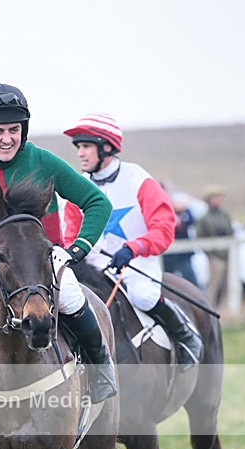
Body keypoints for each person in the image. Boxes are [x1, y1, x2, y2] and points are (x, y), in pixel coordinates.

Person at [0, 83, 116, 412]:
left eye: (14, 130)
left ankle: (101, 370)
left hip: (46, 266)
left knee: (72, 296)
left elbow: (97, 202)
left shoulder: (44, 162)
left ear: (23, 130)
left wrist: (76, 249)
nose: (6, 138)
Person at [62, 113, 202, 370]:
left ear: (105, 147)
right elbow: (71, 234)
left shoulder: (138, 179)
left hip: (136, 262)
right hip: (93, 267)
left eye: (86, 147)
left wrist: (134, 247)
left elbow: (163, 229)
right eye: (79, 147)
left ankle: (185, 335)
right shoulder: (78, 185)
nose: (80, 153)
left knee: (143, 296)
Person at [195, 185, 234, 308]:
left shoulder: (225, 215)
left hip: (227, 254)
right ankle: (208, 308)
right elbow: (200, 238)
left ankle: (227, 308)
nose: (219, 200)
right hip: (214, 257)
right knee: (213, 284)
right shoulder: (204, 219)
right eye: (216, 197)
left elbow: (231, 232)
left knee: (228, 284)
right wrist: (211, 254)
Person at [162, 193, 200, 288]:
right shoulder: (166, 212)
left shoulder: (186, 213)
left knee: (190, 278)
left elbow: (189, 221)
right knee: (168, 279)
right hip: (169, 255)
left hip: (183, 255)